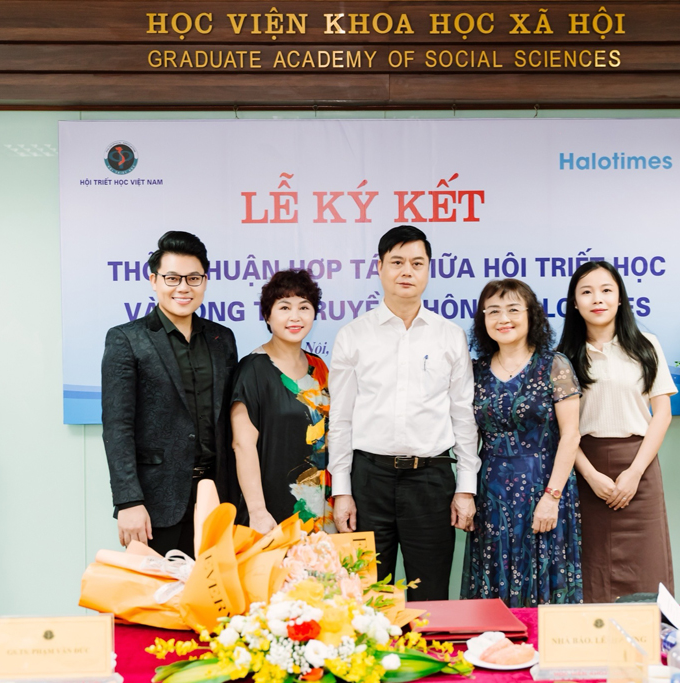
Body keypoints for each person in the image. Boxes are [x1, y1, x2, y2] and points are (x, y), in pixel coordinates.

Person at [328, 225, 479, 600]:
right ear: (379, 267)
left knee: (431, 600)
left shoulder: (449, 335)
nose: (406, 271)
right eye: (396, 262)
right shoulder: (353, 335)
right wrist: (342, 491)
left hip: (430, 482)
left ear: (428, 269)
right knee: (364, 600)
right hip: (368, 482)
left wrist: (465, 488)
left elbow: (463, 417)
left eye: (416, 263)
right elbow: (341, 421)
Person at [101, 230, 239, 557]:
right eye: (172, 278)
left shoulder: (222, 339)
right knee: (156, 589)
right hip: (155, 502)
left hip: (217, 496)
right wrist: (128, 501)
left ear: (205, 281)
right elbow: (118, 427)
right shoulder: (127, 339)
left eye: (193, 278)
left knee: (216, 588)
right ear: (154, 280)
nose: (183, 287)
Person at [557, 261, 676, 603]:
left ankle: (650, 633)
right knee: (589, 567)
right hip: (584, 470)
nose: (598, 299)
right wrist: (591, 476)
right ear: (575, 303)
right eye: (587, 292)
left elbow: (662, 414)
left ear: (620, 298)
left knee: (646, 567)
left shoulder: (646, 345)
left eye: (606, 290)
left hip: (639, 467)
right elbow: (563, 429)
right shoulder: (563, 357)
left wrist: (634, 473)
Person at [461, 279, 584, 607]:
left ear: (532, 316)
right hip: (491, 495)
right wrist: (466, 493)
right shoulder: (475, 371)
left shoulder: (553, 365)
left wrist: (552, 497)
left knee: (544, 581)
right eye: (493, 311)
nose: (504, 319)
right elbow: (468, 437)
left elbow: (571, 435)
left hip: (543, 486)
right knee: (493, 581)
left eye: (513, 310)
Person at [230, 269, 332, 534]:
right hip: (272, 512)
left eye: (304, 307)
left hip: (322, 507)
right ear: (267, 315)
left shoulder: (319, 367)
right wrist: (257, 511)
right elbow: (243, 445)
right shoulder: (252, 370)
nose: (295, 317)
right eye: (284, 307)